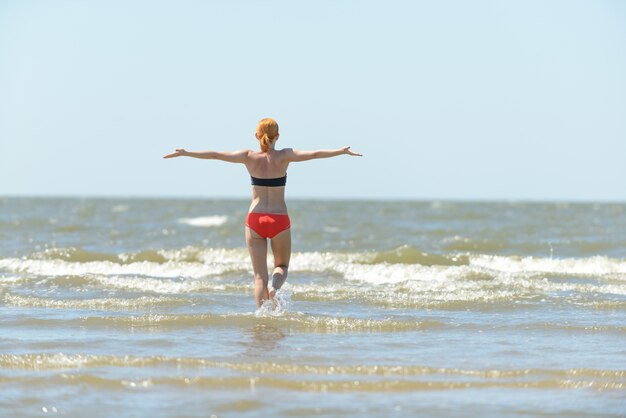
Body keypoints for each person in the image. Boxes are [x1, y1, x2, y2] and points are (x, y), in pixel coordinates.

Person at [163, 118, 362, 308]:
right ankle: (274, 289)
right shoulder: (285, 156)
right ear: (278, 136)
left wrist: (186, 153)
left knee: (259, 277)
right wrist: (341, 151)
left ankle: (262, 317)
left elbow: (215, 154)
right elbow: (315, 154)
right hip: (279, 219)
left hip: (255, 219)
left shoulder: (248, 157)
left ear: (256, 135)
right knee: (281, 267)